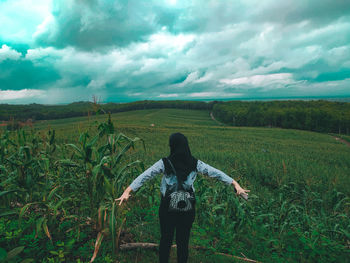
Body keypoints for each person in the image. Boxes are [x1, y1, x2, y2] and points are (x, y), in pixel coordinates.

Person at [116, 132, 250, 263]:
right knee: (183, 241)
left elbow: (146, 175)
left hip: (167, 207)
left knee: (166, 240)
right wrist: (235, 184)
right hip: (187, 208)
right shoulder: (195, 163)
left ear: (172, 146)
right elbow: (216, 173)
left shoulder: (165, 163)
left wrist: (128, 190)